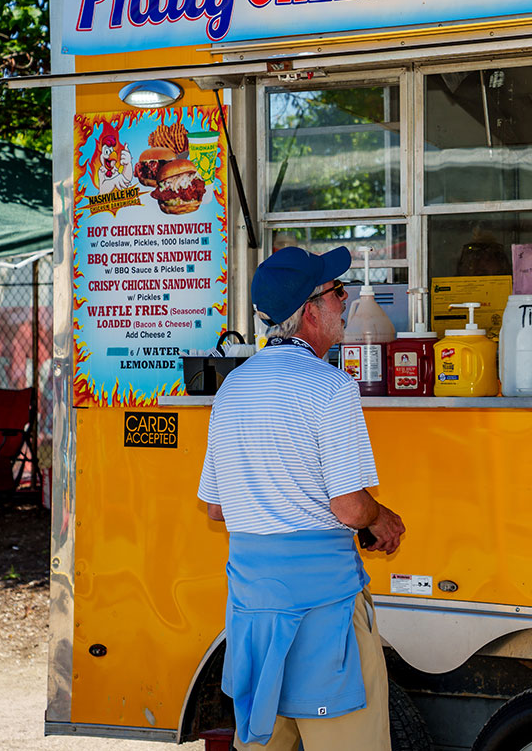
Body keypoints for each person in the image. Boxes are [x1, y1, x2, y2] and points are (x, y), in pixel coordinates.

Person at [198, 245, 405, 751]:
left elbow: (216, 508)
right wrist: (382, 518)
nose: (346, 300)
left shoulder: (233, 389)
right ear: (311, 311)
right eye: (338, 292)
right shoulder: (331, 387)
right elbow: (350, 508)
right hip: (324, 614)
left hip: (254, 614)